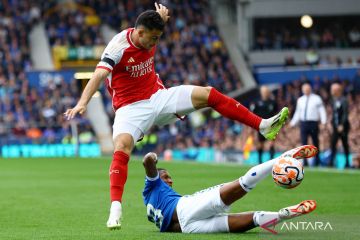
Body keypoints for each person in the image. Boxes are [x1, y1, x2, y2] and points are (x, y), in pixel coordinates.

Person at [64, 3, 289, 229]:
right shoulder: (117, 47)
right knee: (121, 147)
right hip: (130, 107)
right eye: (153, 38)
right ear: (139, 33)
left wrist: (161, 17)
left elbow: (157, 24)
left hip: (158, 96)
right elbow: (98, 75)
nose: (155, 43)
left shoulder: (150, 30)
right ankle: (115, 207)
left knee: (209, 94)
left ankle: (262, 125)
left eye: (159, 37)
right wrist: (82, 102)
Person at [142, 145, 318, 233]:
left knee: (245, 221)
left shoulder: (150, 201)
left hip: (186, 228)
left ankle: (281, 215)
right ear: (157, 177)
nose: (170, 180)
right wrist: (153, 157)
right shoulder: (152, 184)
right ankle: (286, 156)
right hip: (185, 207)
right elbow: (147, 161)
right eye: (166, 177)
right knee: (242, 184)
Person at [290, 82, 326, 166]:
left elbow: (322, 111)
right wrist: (292, 123)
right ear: (302, 90)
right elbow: (298, 113)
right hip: (303, 123)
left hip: (313, 123)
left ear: (310, 89)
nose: (306, 90)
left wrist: (323, 121)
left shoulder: (317, 98)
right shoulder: (300, 100)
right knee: (303, 143)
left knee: (315, 142)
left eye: (307, 88)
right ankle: (305, 162)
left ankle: (317, 160)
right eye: (304, 89)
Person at [250, 86, 278, 163]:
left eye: (266, 91)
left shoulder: (273, 102)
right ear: (261, 92)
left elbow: (276, 114)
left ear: (268, 92)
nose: (265, 93)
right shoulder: (256, 102)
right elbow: (252, 114)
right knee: (260, 144)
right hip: (260, 126)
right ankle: (260, 161)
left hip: (271, 126)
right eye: (263, 92)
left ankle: (271, 161)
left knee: (271, 144)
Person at [329, 83, 350, 168]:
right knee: (333, 143)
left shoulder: (344, 100)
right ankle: (331, 161)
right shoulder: (333, 100)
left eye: (333, 90)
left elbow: (345, 113)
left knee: (345, 143)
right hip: (335, 126)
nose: (332, 91)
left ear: (338, 91)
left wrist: (342, 124)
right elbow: (334, 114)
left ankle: (347, 162)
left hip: (343, 126)